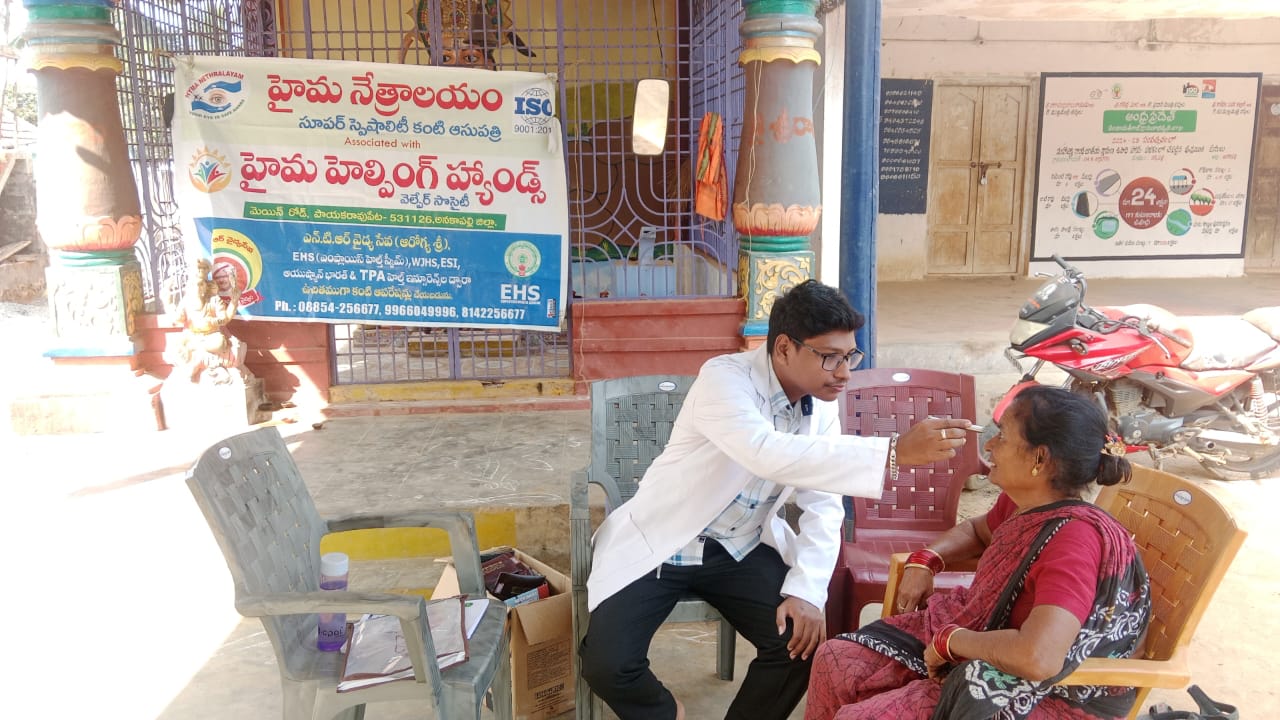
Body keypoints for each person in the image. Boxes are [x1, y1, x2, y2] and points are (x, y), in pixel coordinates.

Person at [579, 279, 974, 720]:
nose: (844, 372)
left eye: (850, 356)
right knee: (607, 666)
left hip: (740, 546)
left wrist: (807, 591)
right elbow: (765, 452)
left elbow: (823, 504)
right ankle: (667, 712)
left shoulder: (821, 403)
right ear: (784, 348)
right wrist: (893, 452)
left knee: (801, 647)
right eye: (830, 357)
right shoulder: (724, 378)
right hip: (665, 540)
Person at [804, 385, 1152, 720]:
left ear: (1040, 458)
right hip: (982, 646)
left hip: (1037, 691)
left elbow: (1039, 657)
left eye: (1002, 436)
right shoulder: (1022, 503)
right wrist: (926, 560)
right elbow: (976, 531)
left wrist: (952, 641)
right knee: (835, 658)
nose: (989, 445)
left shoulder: (1073, 542)